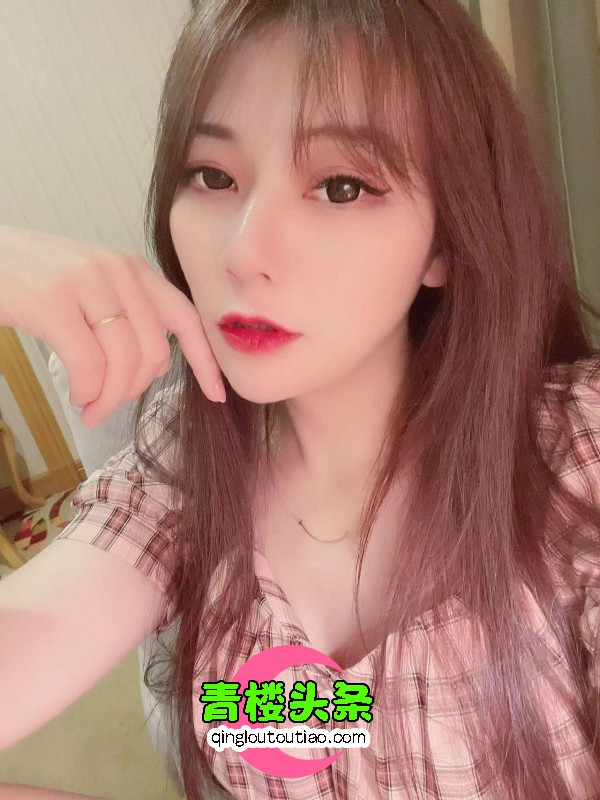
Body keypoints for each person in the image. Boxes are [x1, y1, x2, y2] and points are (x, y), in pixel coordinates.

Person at [1, 1, 600, 799]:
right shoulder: (186, 459)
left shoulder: (576, 458)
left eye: (340, 186)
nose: (243, 251)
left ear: (447, 240)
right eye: (213, 177)